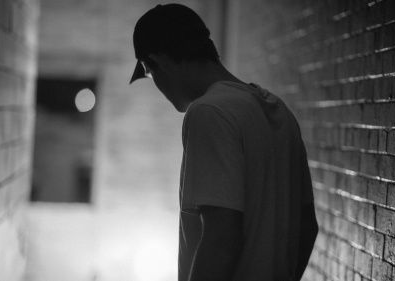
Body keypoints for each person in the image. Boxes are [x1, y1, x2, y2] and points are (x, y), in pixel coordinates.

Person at [129, 4, 318, 281]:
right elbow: (307, 227)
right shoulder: (277, 109)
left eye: (149, 72)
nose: (156, 83)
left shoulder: (209, 112)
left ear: (161, 61)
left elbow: (221, 239)